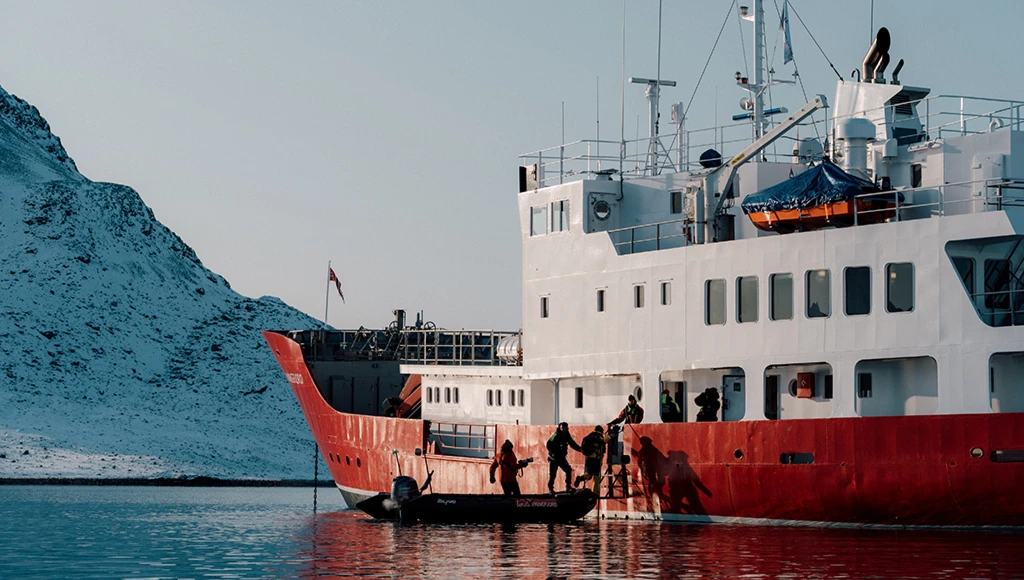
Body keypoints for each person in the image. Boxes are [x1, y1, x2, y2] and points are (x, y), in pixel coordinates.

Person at [546, 422, 582, 494]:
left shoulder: (567, 436)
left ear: (566, 428)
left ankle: (568, 487)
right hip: (554, 458)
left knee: (568, 470)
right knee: (553, 474)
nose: (562, 429)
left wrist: (581, 450)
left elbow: (573, 444)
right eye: (561, 428)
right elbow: (548, 443)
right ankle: (550, 489)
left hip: (561, 458)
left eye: (564, 428)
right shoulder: (555, 434)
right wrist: (552, 452)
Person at [574, 425, 609, 494]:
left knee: (589, 475)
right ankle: (594, 493)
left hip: (589, 459)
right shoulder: (597, 436)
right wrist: (610, 436)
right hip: (596, 460)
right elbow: (603, 441)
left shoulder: (589, 436)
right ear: (601, 431)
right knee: (596, 477)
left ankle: (580, 478)